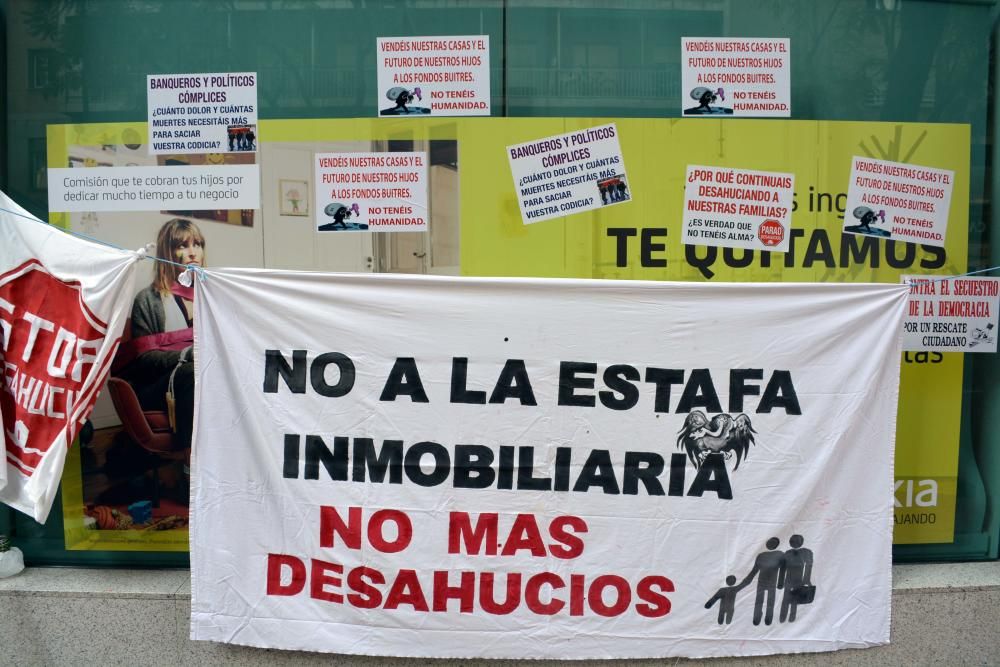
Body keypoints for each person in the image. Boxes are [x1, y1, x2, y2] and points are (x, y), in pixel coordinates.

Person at [119, 218, 204, 450]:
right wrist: (189, 353)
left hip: (204, 377)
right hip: (157, 385)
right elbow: (144, 360)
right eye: (182, 246)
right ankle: (191, 461)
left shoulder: (211, 299)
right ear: (167, 251)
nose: (193, 252)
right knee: (192, 373)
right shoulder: (148, 300)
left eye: (197, 244)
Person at [739, 536, 786, 626]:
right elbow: (754, 570)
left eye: (773, 542)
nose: (770, 544)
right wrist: (747, 581)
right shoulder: (761, 555)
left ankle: (768, 618)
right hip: (761, 581)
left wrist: (780, 583)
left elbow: (783, 570)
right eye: (769, 542)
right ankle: (757, 617)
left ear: (777, 544)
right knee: (759, 600)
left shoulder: (780, 555)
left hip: (772, 581)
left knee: (770, 601)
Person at [779, 534, 814, 622]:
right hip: (789, 579)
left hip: (798, 580)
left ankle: (791, 618)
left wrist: (806, 579)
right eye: (792, 541)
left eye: (796, 541)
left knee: (794, 599)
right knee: (786, 599)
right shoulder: (787, 553)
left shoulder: (806, 552)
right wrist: (780, 582)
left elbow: (808, 566)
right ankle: (783, 618)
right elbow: (782, 569)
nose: (794, 543)